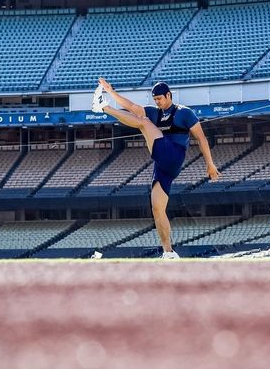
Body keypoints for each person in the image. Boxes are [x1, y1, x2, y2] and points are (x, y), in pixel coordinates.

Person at [92, 78, 219, 259]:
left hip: (174, 155)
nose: (157, 102)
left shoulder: (184, 113)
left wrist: (210, 164)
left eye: (159, 98)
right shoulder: (155, 112)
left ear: (169, 95)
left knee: (143, 123)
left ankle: (103, 107)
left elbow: (202, 138)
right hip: (162, 165)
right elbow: (132, 106)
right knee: (157, 209)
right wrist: (111, 92)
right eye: (155, 99)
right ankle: (168, 252)